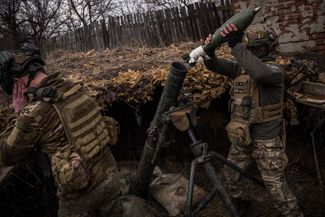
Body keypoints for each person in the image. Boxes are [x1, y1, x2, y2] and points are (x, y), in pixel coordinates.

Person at [0, 43, 122, 217]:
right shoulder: (75, 88)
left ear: (17, 84)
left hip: (81, 196)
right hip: (112, 178)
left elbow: (7, 155)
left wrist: (19, 113)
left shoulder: (33, 112)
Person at [202, 24, 304, 217]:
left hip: (267, 142)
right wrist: (209, 50)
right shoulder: (240, 68)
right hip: (241, 137)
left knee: (276, 189)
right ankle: (244, 206)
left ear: (268, 48)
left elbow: (260, 73)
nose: (253, 51)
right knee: (230, 178)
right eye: (251, 48)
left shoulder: (275, 70)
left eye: (257, 48)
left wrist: (235, 44)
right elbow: (214, 65)